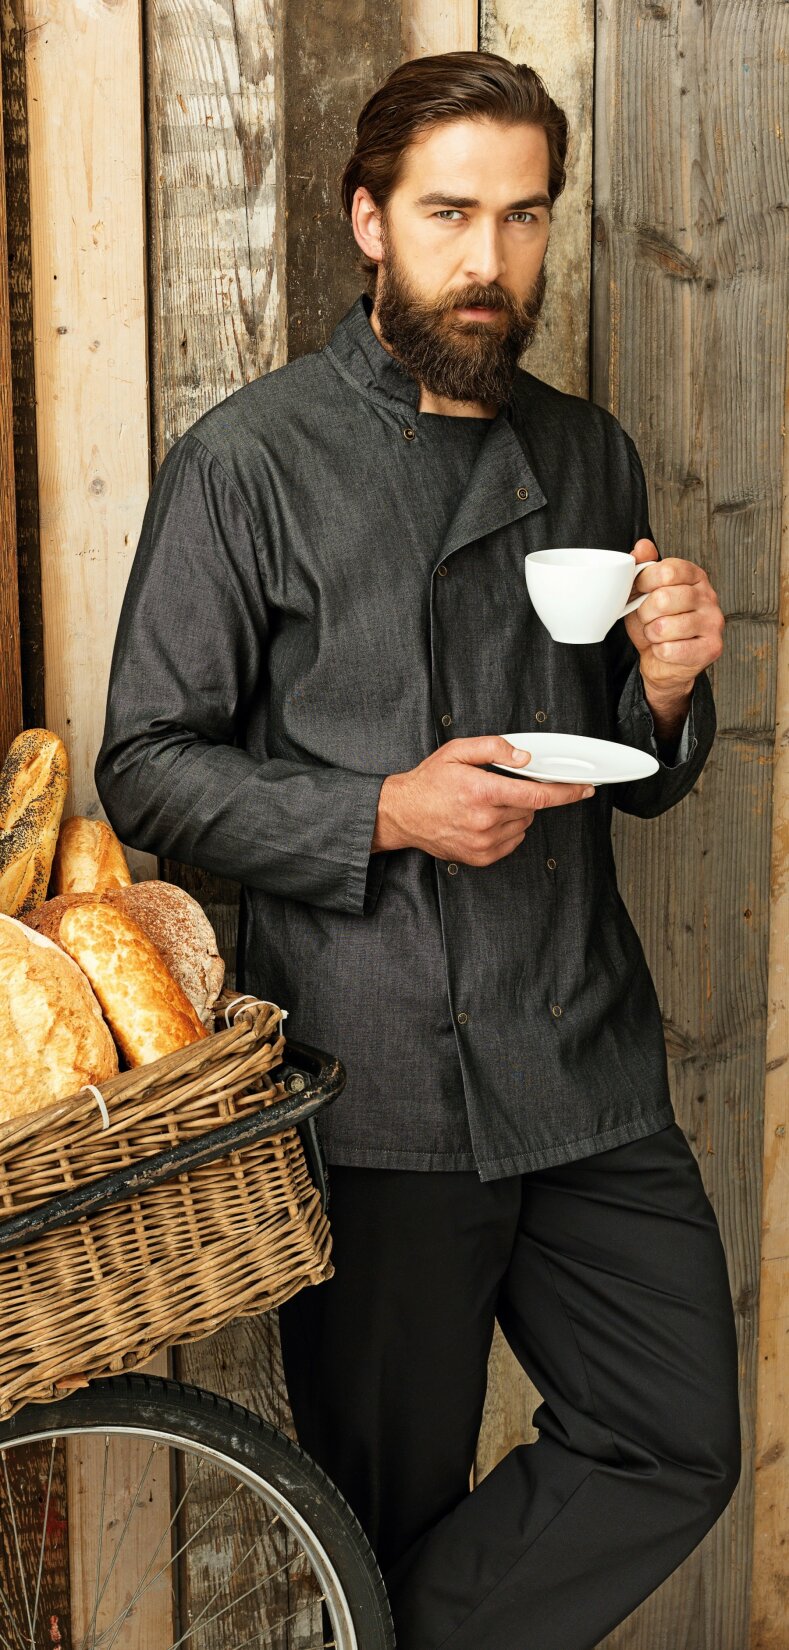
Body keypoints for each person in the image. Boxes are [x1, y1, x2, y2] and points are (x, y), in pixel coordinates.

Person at [95, 49, 739, 1650]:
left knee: (670, 1437)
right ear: (367, 218)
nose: (489, 259)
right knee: (378, 1509)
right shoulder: (248, 461)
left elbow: (626, 763)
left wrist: (666, 687)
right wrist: (384, 808)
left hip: (579, 1055)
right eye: (450, 213)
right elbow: (148, 767)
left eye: (523, 216)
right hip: (372, 1079)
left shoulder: (586, 451)